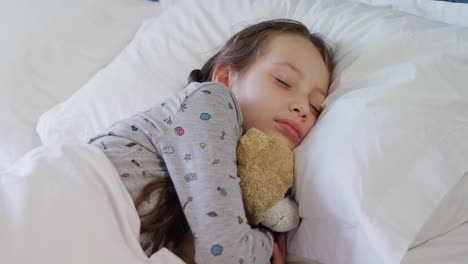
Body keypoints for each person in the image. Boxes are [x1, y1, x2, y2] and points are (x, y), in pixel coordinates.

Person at [89, 19, 334, 264]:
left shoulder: (255, 185)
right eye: (283, 81)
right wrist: (266, 244)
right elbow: (225, 254)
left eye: (314, 106)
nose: (302, 107)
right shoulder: (211, 99)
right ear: (226, 78)